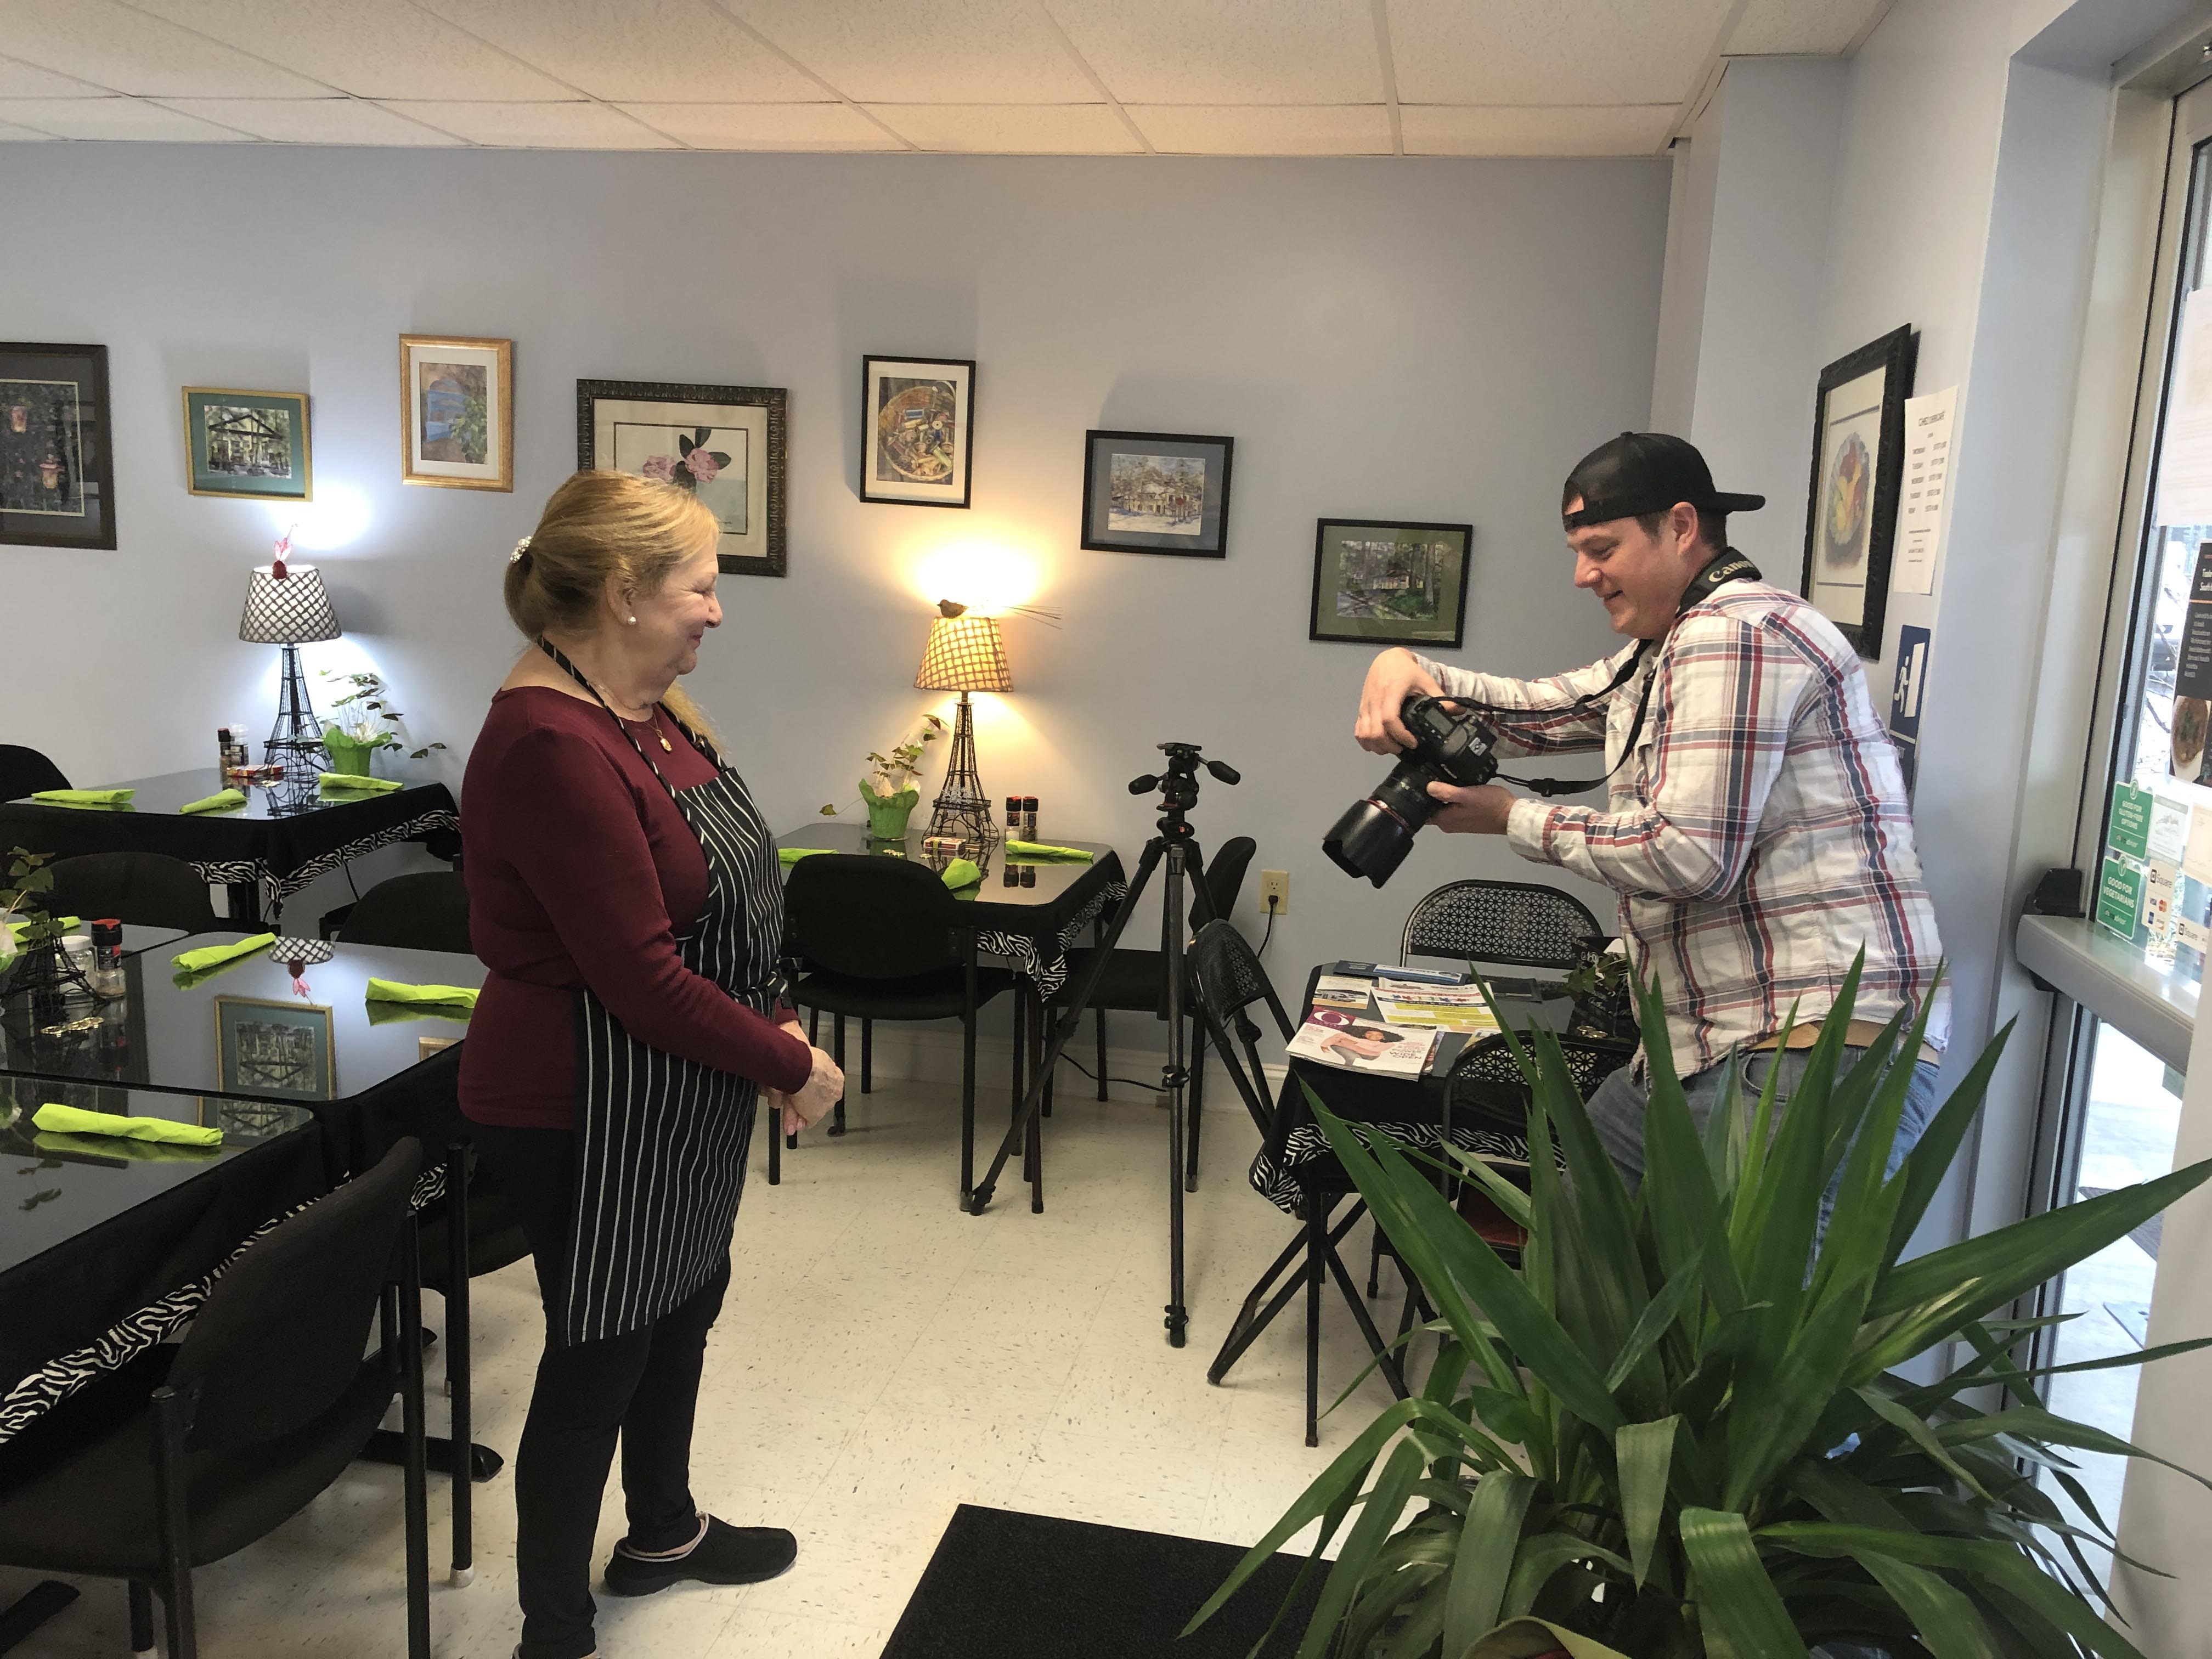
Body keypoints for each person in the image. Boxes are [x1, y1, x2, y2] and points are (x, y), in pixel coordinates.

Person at [1355, 432, 1945, 1217]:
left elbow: (1689, 855)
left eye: (1601, 549)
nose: (1582, 575)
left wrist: (1514, 818)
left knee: (1721, 1297)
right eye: (1578, 552)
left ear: (1681, 526)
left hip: (1807, 1051)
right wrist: (1408, 669)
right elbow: (1541, 711)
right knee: (1578, 1243)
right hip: (1715, 1045)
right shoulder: (1669, 646)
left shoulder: (1735, 635)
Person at [461, 470, 845, 1659]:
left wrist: (770, 1026)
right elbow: (638, 974)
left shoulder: (650, 711)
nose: (717, 611)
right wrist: (789, 1062)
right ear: (624, 592)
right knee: (601, 1356)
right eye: (701, 587)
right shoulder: (549, 742)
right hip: (585, 1099)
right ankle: (554, 1629)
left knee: (683, 1307)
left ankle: (664, 1534)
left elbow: (726, 902)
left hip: (677, 1083)